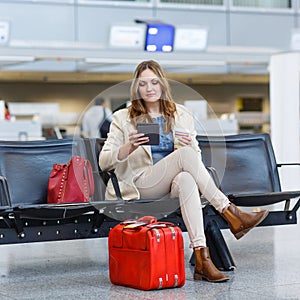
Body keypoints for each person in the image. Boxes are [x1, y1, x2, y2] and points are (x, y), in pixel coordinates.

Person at [99, 60, 269, 283]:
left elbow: (194, 159)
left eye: (154, 82)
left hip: (171, 186)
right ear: (136, 88)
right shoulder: (123, 118)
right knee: (185, 158)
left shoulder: (182, 114)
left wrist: (189, 146)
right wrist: (129, 147)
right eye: (143, 84)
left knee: (187, 178)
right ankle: (230, 212)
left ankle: (202, 258)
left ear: (162, 85)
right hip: (139, 184)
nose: (149, 88)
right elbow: (104, 162)